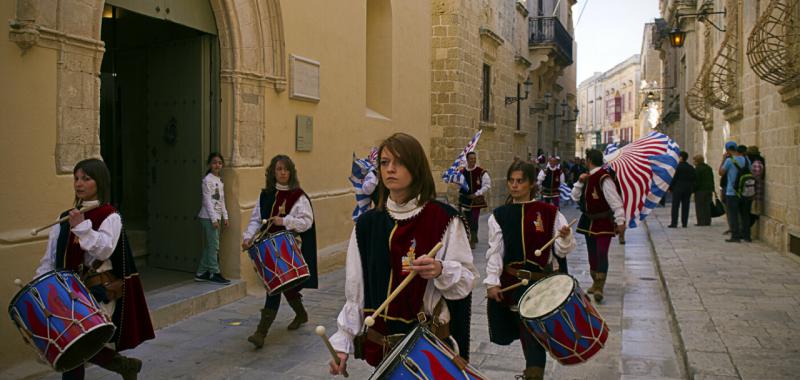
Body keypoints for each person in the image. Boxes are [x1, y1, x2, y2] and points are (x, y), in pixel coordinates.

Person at [328, 133, 477, 376]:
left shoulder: (444, 219)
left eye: (399, 162)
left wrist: (440, 270)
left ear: (415, 166)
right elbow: (355, 291)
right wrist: (342, 344)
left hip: (428, 348)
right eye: (385, 163)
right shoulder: (367, 224)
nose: (390, 169)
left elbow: (466, 281)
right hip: (383, 351)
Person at [35, 158, 154, 380]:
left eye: (86, 179)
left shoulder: (110, 216)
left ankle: (124, 365)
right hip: (66, 294)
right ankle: (124, 366)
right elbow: (51, 258)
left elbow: (104, 250)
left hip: (96, 293)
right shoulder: (64, 218)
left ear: (99, 182)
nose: (79, 184)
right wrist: (41, 287)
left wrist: (81, 226)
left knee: (75, 345)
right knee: (76, 346)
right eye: (76, 178)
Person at [485, 161, 575, 380]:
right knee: (524, 329)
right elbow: (495, 252)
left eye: (520, 181)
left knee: (532, 331)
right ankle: (533, 371)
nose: (515, 186)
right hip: (514, 284)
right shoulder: (499, 215)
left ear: (532, 184)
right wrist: (492, 282)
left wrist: (564, 237)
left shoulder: (549, 212)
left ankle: (534, 373)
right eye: (511, 181)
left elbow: (562, 252)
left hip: (542, 284)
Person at [242, 154, 318, 348]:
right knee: (284, 285)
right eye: (279, 169)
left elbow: (307, 222)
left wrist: (284, 221)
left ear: (290, 172)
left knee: (274, 287)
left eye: (286, 169)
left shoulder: (298, 196)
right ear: (272, 172)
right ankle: (301, 314)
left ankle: (261, 333)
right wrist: (248, 237)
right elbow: (256, 220)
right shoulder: (265, 195)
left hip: (289, 248)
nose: (282, 173)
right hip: (269, 248)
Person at [571, 149, 625, 303]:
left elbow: (615, 201)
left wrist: (620, 221)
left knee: (602, 253)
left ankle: (600, 286)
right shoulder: (586, 178)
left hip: (603, 222)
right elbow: (574, 197)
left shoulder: (604, 178)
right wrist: (580, 182)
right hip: (588, 221)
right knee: (592, 254)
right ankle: (595, 282)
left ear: (588, 161)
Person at [195, 152, 231, 284]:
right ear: (210, 164)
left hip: (217, 217)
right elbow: (207, 201)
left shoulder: (219, 181)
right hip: (208, 218)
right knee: (214, 246)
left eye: (220, 163)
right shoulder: (207, 180)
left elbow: (221, 200)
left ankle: (201, 272)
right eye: (215, 162)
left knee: (211, 245)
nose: (217, 165)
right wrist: (214, 219)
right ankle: (214, 272)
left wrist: (225, 216)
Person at [719, 142, 751, 242]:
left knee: (733, 215)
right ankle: (746, 236)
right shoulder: (746, 160)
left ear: (728, 150)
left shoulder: (729, 160)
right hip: (745, 191)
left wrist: (723, 159)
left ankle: (735, 236)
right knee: (745, 214)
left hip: (732, 191)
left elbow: (721, 172)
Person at [458, 151, 491, 249]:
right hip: (465, 199)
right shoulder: (462, 172)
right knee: (466, 219)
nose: (473, 160)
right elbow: (459, 184)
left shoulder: (481, 172)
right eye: (471, 159)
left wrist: (476, 194)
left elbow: (487, 185)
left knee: (474, 219)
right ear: (467, 160)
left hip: (476, 200)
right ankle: (470, 236)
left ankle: (472, 239)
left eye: (474, 158)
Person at [668, 151, 696, 228]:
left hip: (678, 189)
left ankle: (674, 223)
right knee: (686, 206)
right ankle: (684, 223)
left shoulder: (677, 167)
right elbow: (694, 179)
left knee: (675, 206)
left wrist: (670, 188)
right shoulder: (691, 167)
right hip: (688, 189)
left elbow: (674, 178)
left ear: (681, 157)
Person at [693, 154, 714, 226]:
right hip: (708, 189)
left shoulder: (697, 169)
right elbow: (711, 178)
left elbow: (696, 180)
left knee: (699, 206)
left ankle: (701, 221)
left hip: (700, 190)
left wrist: (693, 189)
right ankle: (707, 221)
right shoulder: (708, 168)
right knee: (707, 206)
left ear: (697, 161)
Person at [746, 146, 765, 228]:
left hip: (755, 191)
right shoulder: (754, 162)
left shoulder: (756, 163)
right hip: (753, 190)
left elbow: (756, 177)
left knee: (753, 211)